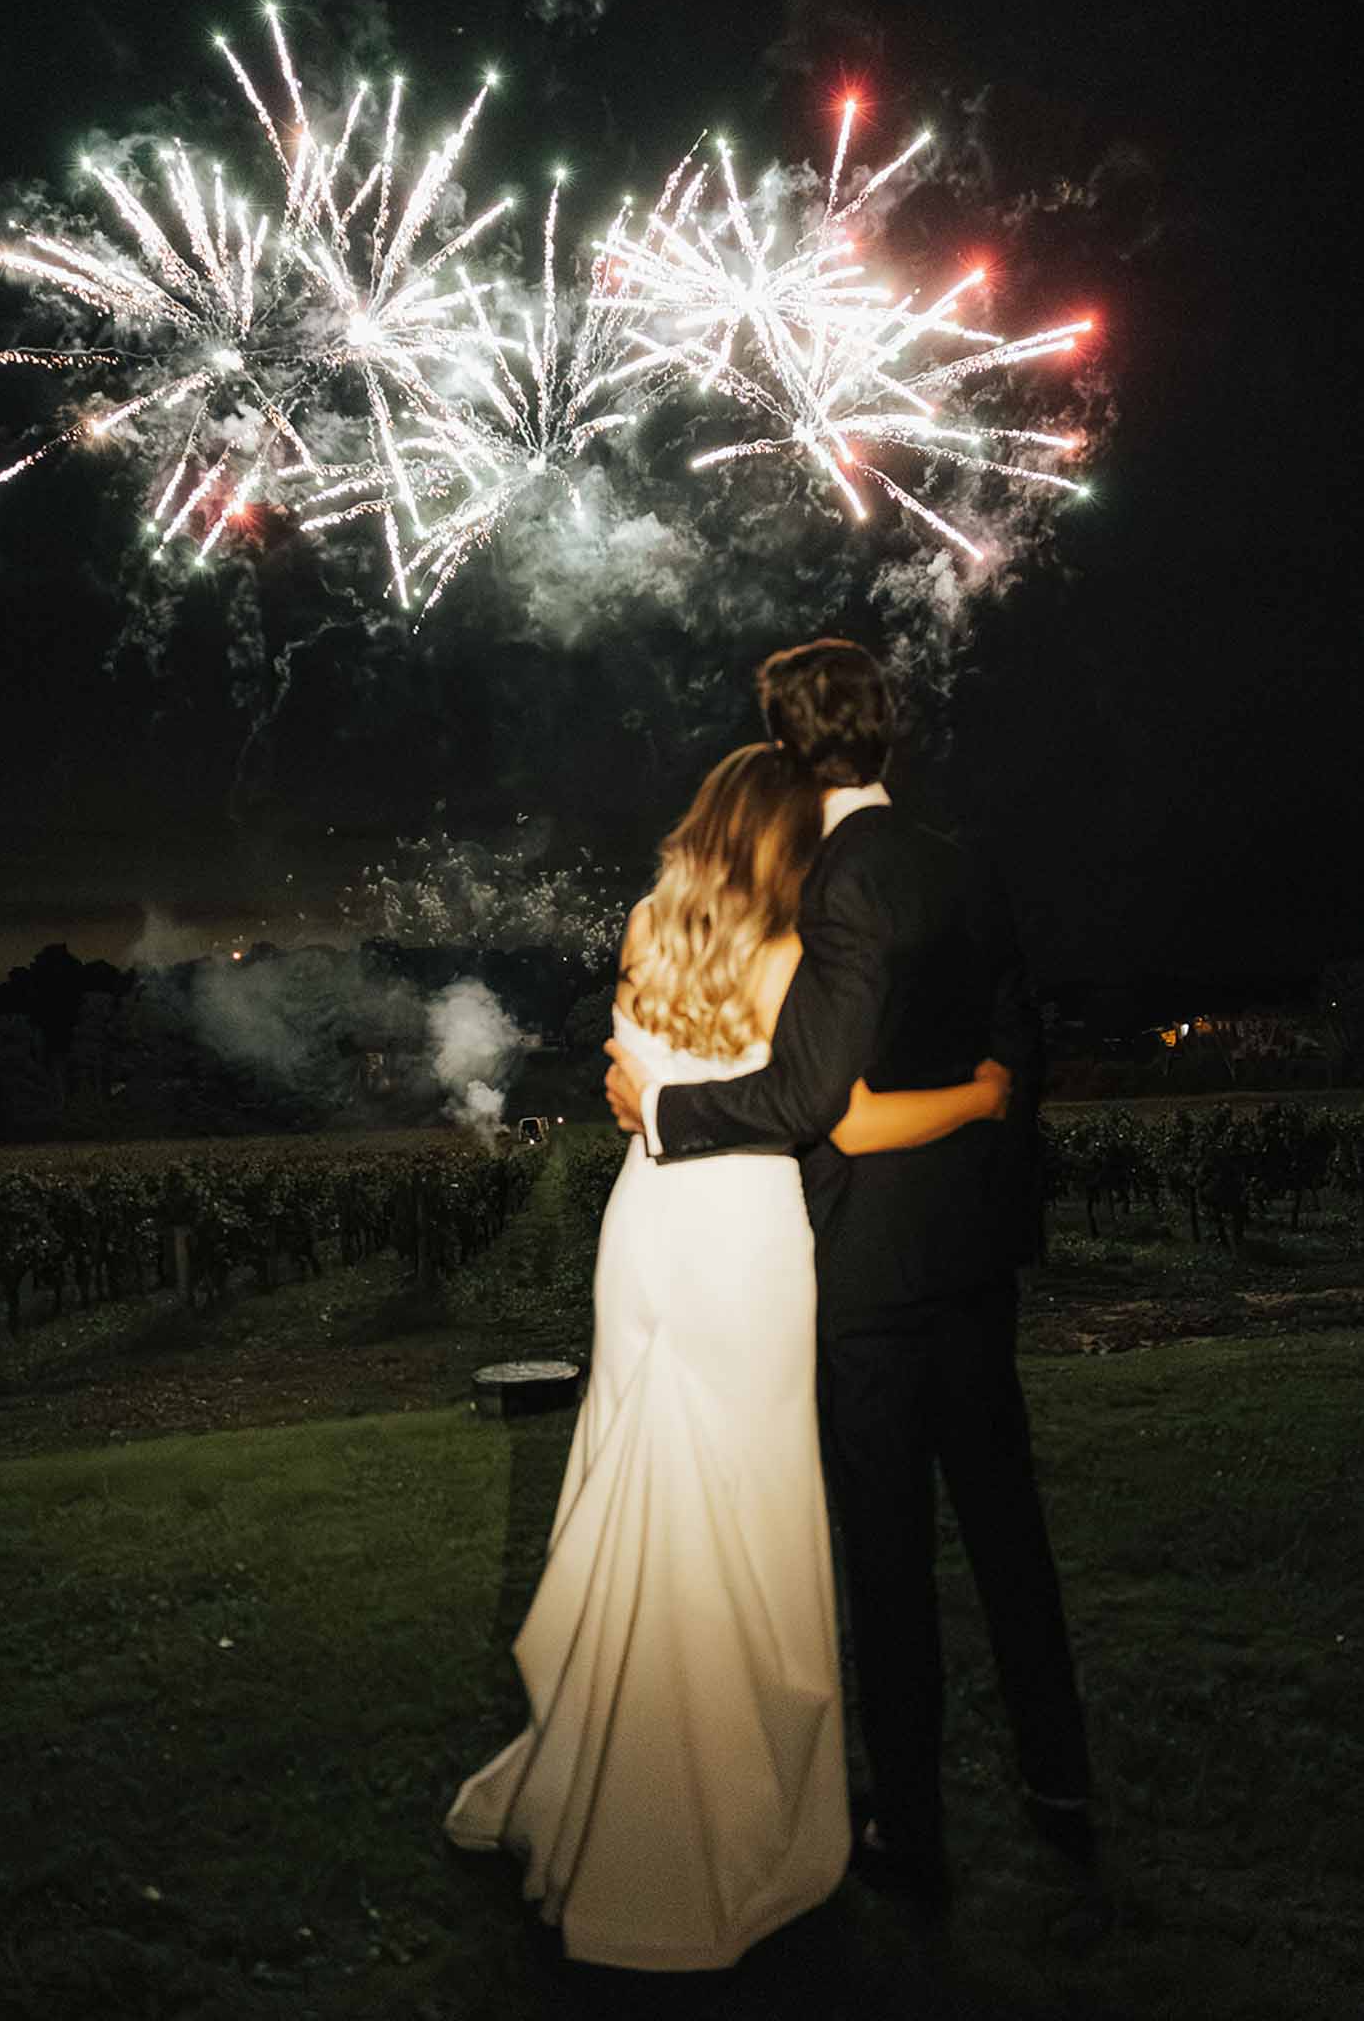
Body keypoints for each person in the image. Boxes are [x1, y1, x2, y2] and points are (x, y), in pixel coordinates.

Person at [445, 741, 1011, 1972]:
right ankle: (714, 1822)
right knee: (741, 1510)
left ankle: (613, 1779)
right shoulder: (790, 955)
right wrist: (977, 1096)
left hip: (647, 1227)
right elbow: (845, 1117)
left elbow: (629, 1074)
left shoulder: (649, 920)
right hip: (745, 1236)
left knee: (645, 1478)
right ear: (784, 840)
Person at [605, 639, 1094, 1916]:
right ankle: (1063, 1788)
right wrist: (993, 1114)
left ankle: (914, 1836)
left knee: (887, 1556)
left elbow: (814, 1097)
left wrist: (659, 1112)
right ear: (889, 734)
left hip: (869, 1268)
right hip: (974, 1256)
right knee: (1007, 1526)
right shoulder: (960, 858)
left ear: (781, 742)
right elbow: (1017, 1040)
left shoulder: (830, 881)